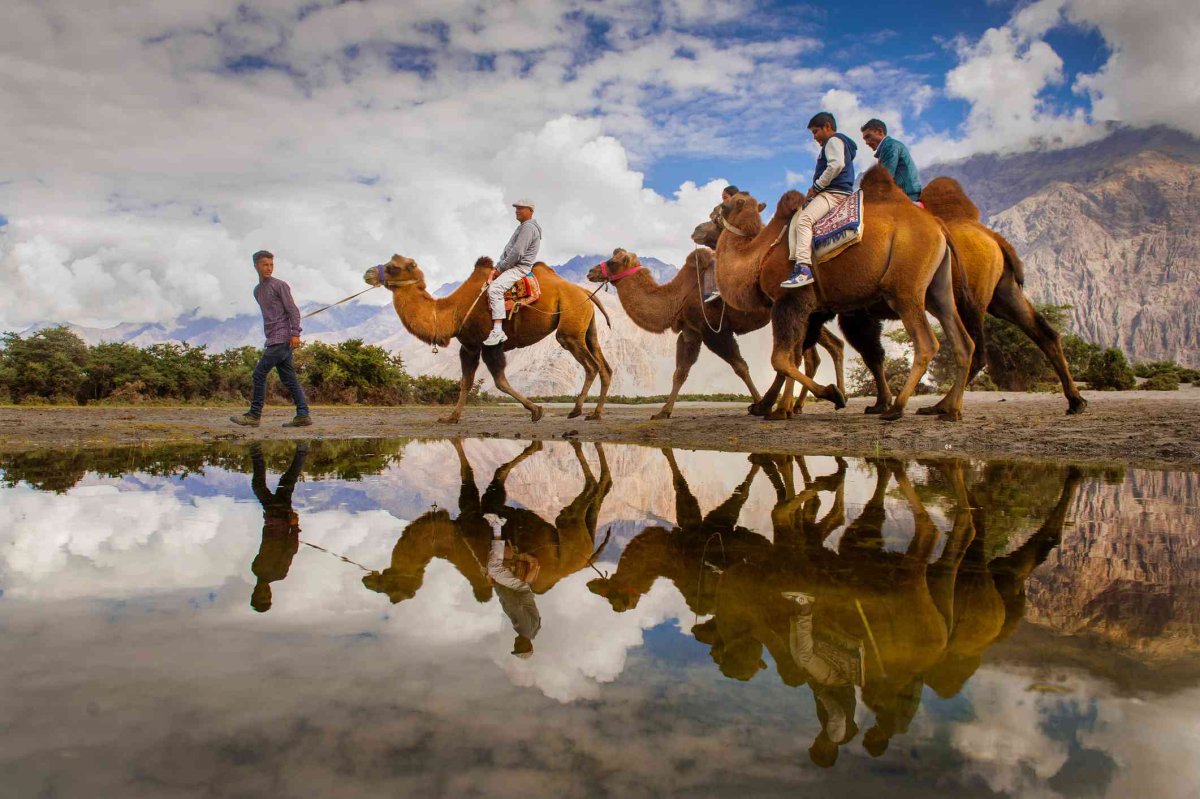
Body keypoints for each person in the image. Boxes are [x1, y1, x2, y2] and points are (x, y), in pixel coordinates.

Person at [230, 250, 312, 427]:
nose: (269, 268)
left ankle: (254, 415)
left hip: (281, 338)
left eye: (271, 265)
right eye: (265, 265)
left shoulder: (280, 285)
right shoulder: (257, 290)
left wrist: (296, 333)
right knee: (289, 379)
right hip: (273, 338)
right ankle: (303, 415)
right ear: (256, 266)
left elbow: (293, 310)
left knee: (259, 374)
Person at [782, 590, 863, 767]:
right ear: (826, 750)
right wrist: (820, 694)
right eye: (816, 747)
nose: (815, 742)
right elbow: (837, 714)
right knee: (804, 658)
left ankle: (798, 616)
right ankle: (805, 608)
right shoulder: (834, 736)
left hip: (833, 684)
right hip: (834, 683)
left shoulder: (834, 735)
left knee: (798, 659)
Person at [781, 112, 858, 289]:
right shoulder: (843, 143)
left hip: (832, 194)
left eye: (816, 132)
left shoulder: (833, 141)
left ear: (827, 127)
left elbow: (836, 165)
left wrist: (816, 186)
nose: (815, 137)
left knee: (804, 220)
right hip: (843, 192)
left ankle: (803, 270)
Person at [249, 441, 308, 612]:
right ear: (270, 594)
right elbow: (290, 549)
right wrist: (294, 527)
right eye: (266, 596)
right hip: (281, 518)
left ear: (254, 593)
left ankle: (301, 450)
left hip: (271, 517)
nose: (264, 593)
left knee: (285, 482)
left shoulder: (256, 569)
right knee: (272, 484)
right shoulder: (279, 573)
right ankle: (256, 449)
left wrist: (268, 522)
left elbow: (266, 542)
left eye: (260, 596)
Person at [483, 200, 542, 347]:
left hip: (519, 267)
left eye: (521, 208)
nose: (517, 211)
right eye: (516, 208)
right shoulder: (523, 227)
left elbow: (517, 253)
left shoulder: (528, 228)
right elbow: (509, 251)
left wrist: (500, 270)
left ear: (530, 211)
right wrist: (496, 267)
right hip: (512, 265)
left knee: (495, 289)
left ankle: (498, 331)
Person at [484, 512, 541, 658]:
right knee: (493, 569)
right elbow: (515, 604)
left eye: (515, 648)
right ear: (526, 645)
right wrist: (496, 584)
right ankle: (497, 526)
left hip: (521, 591)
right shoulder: (524, 629)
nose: (515, 645)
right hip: (517, 588)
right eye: (518, 647)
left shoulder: (532, 631)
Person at [860, 118, 922, 202]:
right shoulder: (888, 147)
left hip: (907, 195)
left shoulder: (890, 146)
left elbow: (885, 177)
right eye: (865, 139)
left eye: (868, 137)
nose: (866, 142)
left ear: (879, 132)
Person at [702, 184, 740, 303]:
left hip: (739, 248)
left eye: (725, 197)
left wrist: (717, 252)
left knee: (714, 261)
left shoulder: (740, 215)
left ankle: (716, 290)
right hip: (728, 247)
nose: (723, 201)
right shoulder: (723, 216)